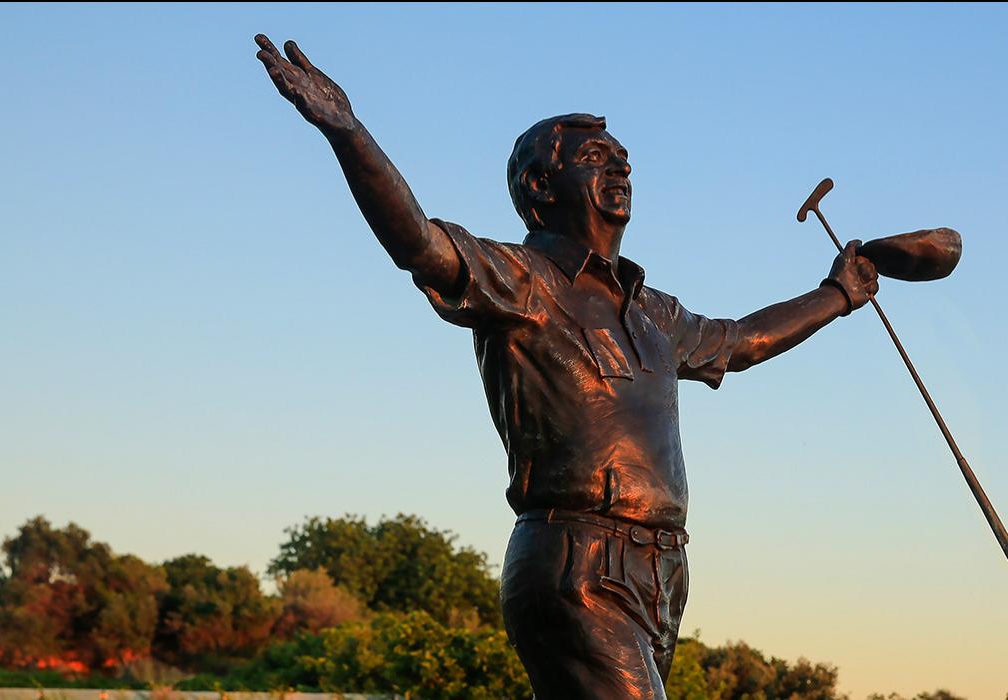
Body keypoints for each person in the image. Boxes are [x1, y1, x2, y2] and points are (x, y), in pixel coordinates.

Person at [256, 35, 878, 699]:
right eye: (594, 159)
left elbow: (741, 342)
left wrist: (838, 294)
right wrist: (349, 133)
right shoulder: (521, 278)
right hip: (574, 560)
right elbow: (418, 242)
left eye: (624, 161)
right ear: (539, 185)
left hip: (663, 569)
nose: (621, 171)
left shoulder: (652, 311)